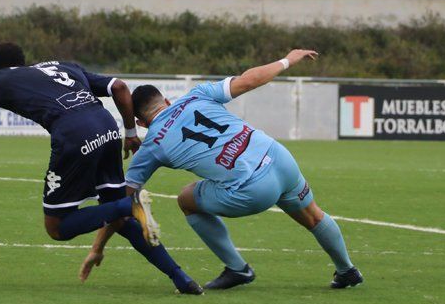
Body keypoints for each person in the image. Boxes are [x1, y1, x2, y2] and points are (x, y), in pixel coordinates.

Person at [0, 42, 203, 295]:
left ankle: (129, 202)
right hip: (106, 127)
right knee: (119, 218)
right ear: (23, 62)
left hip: (74, 135)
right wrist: (129, 132)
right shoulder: (62, 65)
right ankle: (181, 278)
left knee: (57, 227)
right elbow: (120, 87)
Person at [115, 49, 363, 290]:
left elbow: (122, 197)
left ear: (140, 122)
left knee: (186, 200)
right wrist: (288, 60)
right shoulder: (197, 95)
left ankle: (237, 268)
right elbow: (249, 81)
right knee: (312, 215)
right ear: (167, 100)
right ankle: (347, 269)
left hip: (253, 188)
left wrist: (99, 243)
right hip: (278, 157)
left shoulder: (152, 145)